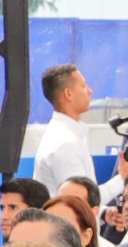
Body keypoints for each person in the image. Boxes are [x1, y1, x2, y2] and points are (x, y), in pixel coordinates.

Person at [27, 64, 105, 193]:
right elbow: (79, 199)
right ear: (68, 94)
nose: (90, 91)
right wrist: (122, 178)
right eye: (83, 86)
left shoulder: (64, 136)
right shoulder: (66, 144)